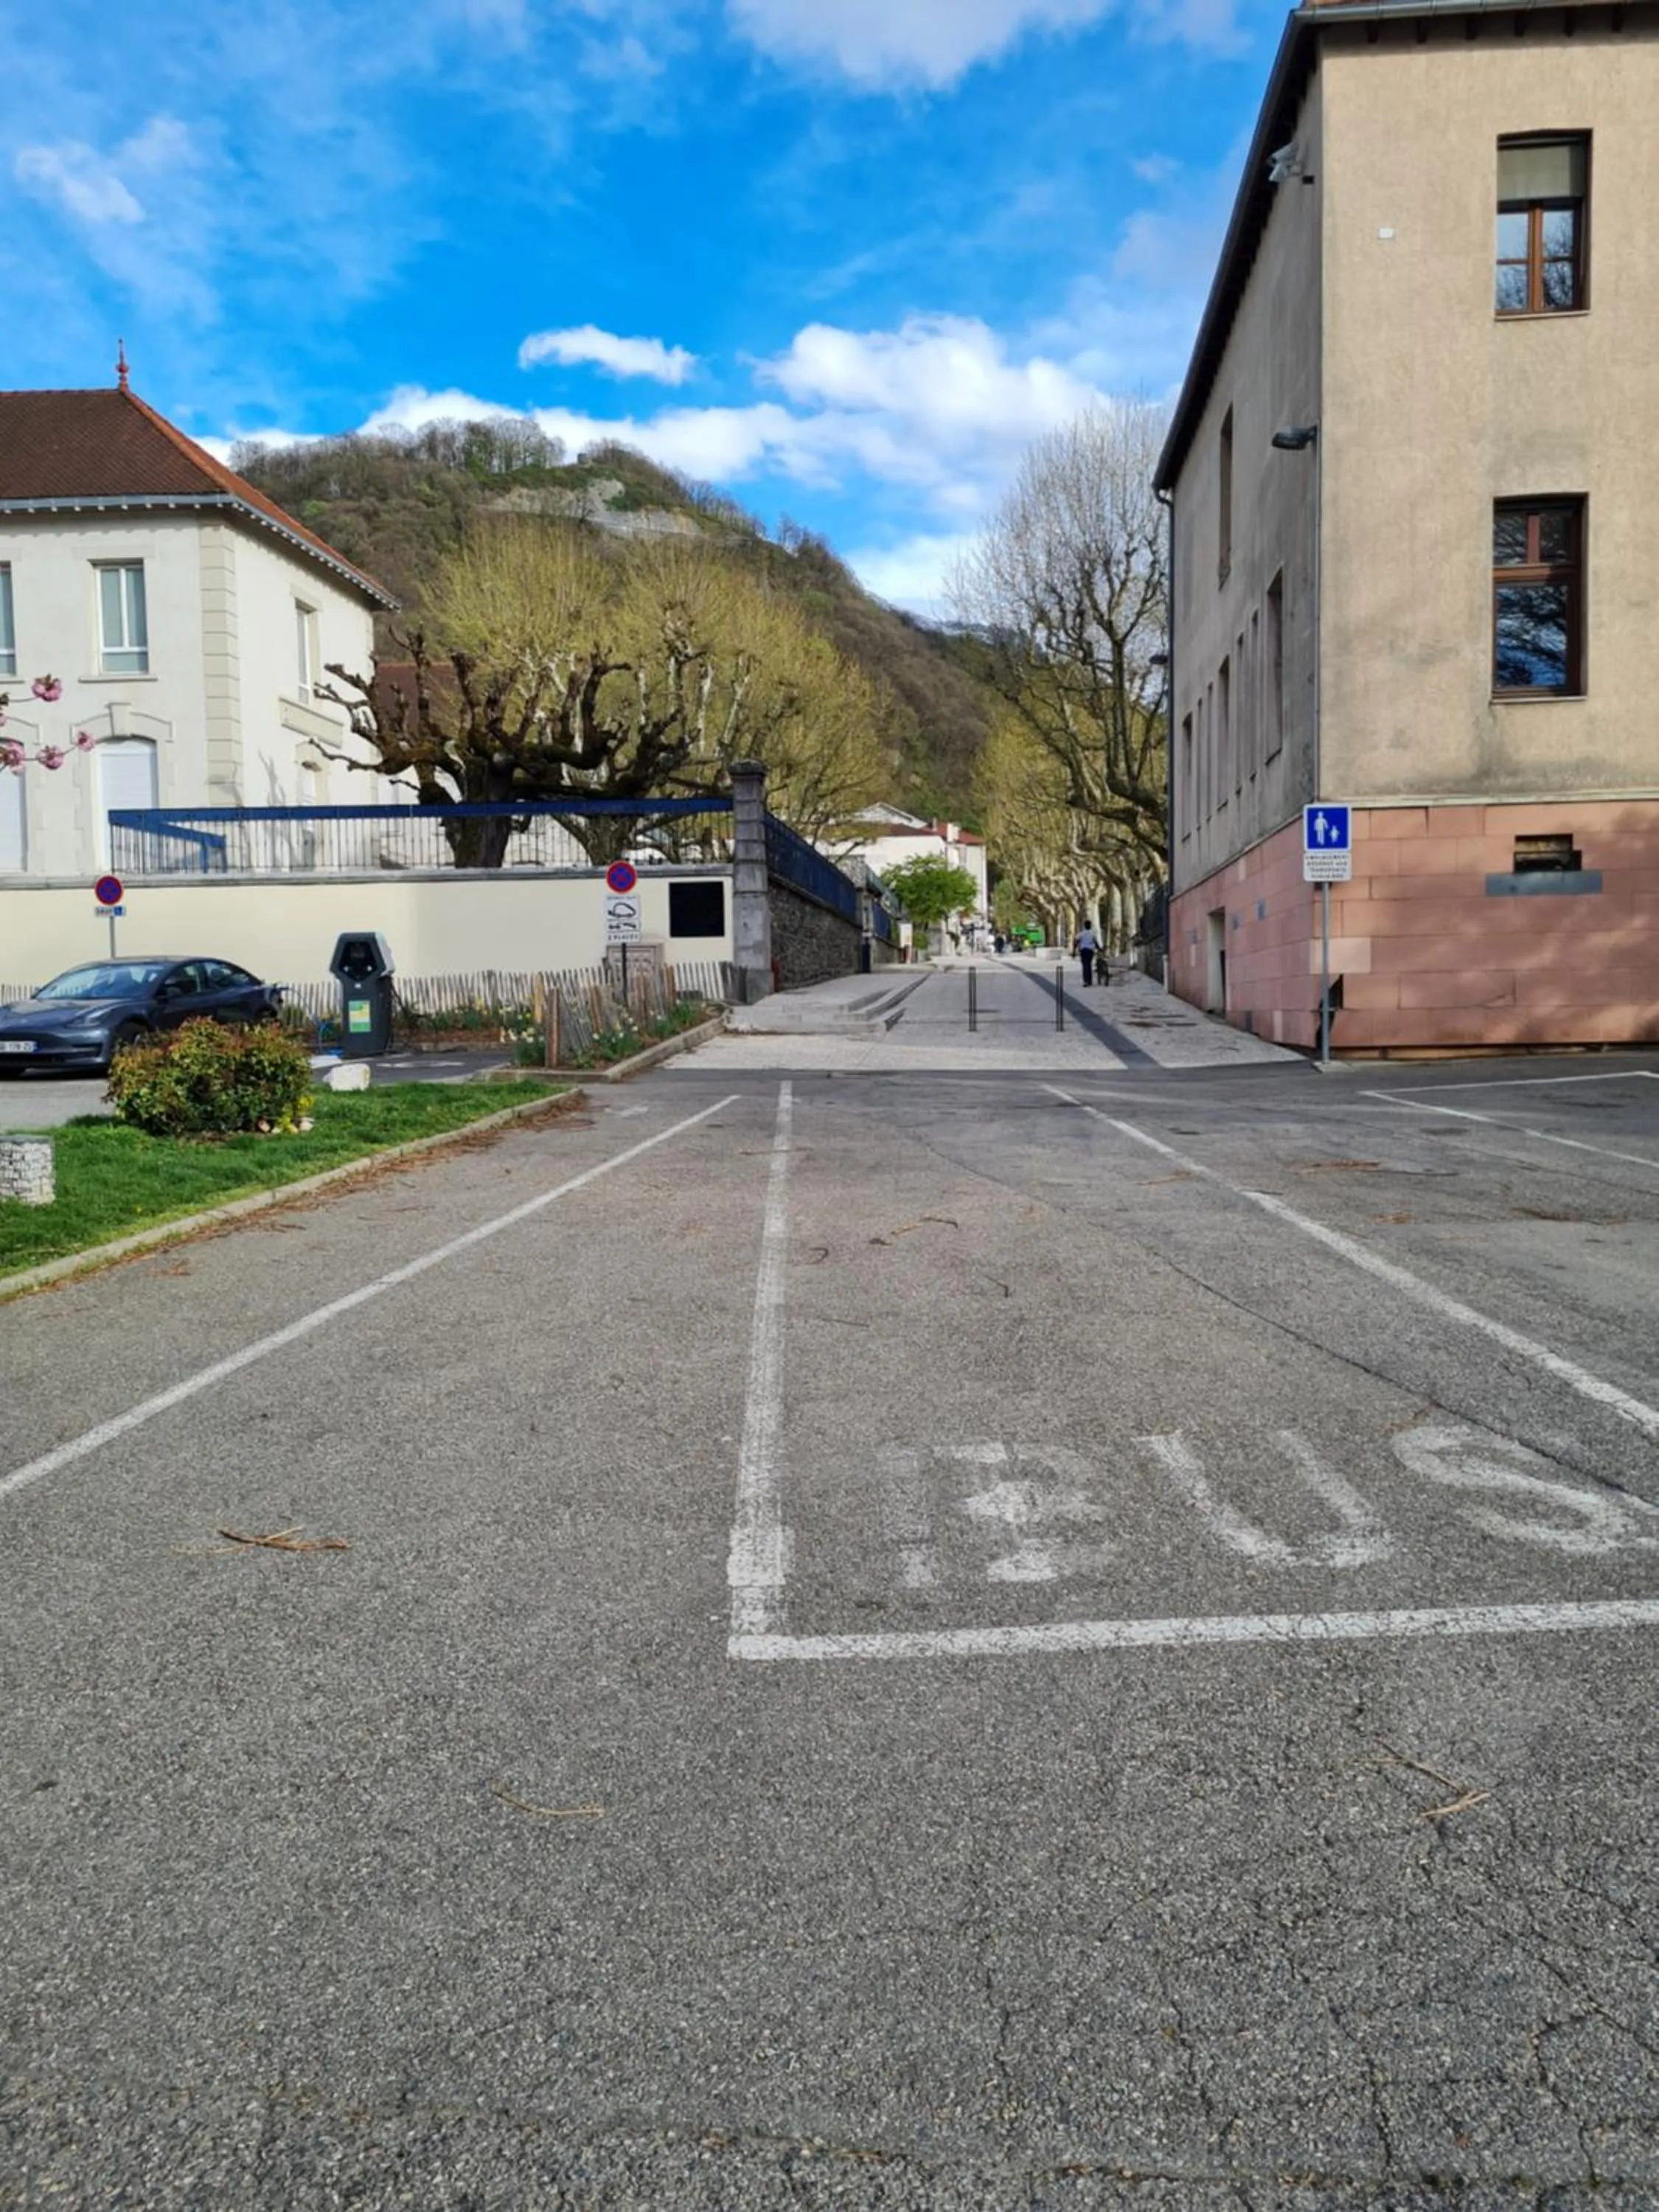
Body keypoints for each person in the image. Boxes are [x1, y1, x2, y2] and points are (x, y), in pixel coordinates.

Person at [1074, 922, 1098, 988]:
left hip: (1083, 951)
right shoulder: (1093, 933)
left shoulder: (1082, 934)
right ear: (1090, 926)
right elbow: (1096, 942)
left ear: (1084, 926)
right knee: (1089, 965)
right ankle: (1089, 980)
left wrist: (1074, 951)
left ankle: (1086, 981)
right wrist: (1099, 949)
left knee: (1085, 966)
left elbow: (1076, 941)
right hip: (1090, 951)